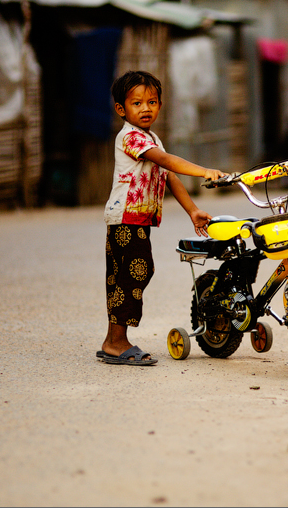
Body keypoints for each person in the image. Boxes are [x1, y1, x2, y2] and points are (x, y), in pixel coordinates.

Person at [99, 70, 227, 366]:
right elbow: (168, 162)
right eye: (137, 103)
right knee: (134, 275)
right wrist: (204, 170)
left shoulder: (151, 137)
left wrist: (193, 210)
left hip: (135, 221)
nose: (146, 108)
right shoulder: (130, 137)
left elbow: (168, 176)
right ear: (121, 109)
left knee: (129, 276)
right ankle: (116, 342)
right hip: (125, 221)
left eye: (152, 101)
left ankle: (113, 340)